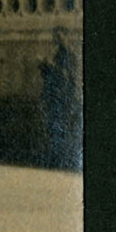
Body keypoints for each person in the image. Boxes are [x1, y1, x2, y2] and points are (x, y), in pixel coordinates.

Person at [40, 26, 81, 169]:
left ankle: (60, 159)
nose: (56, 39)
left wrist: (51, 66)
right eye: (55, 37)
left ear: (65, 37)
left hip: (62, 97)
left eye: (59, 37)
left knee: (60, 127)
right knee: (52, 127)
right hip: (53, 96)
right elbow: (48, 76)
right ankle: (55, 158)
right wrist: (44, 66)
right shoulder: (56, 53)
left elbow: (67, 77)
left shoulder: (69, 55)